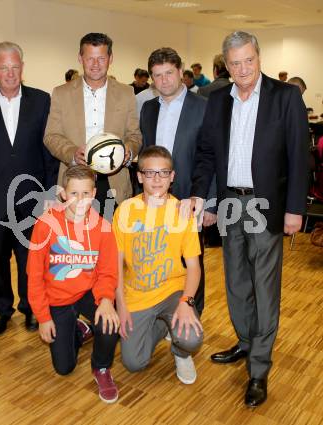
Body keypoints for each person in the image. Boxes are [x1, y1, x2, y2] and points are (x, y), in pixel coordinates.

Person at [187, 31, 309, 407]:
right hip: (229, 203)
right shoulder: (217, 99)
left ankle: (259, 367)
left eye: (248, 60)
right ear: (226, 63)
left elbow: (299, 156)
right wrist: (203, 198)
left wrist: (294, 209)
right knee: (237, 280)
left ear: (259, 57)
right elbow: (207, 152)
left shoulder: (285, 97)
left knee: (265, 285)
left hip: (266, 203)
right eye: (235, 63)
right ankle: (244, 341)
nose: (243, 69)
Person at [0, 42, 59, 336]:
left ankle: (32, 308)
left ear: (22, 67)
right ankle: (2, 310)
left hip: (31, 197)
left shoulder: (42, 100)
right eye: (3, 67)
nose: (10, 73)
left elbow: (48, 151)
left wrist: (49, 192)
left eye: (15, 67)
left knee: (30, 259)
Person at [28, 164, 120, 403]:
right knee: (64, 368)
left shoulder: (103, 228)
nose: (80, 200)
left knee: (110, 324)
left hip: (87, 292)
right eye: (74, 194)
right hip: (56, 299)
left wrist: (107, 300)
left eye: (86, 194)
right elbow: (35, 276)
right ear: (62, 194)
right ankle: (78, 331)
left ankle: (101, 368)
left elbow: (108, 272)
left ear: (94, 193)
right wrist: (43, 317)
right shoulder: (45, 225)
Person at [113, 146, 203, 384]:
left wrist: (186, 301)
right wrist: (120, 305)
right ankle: (164, 328)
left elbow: (194, 266)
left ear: (172, 177)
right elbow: (116, 265)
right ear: (139, 176)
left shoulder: (182, 212)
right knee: (134, 363)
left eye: (163, 173)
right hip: (137, 294)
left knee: (191, 338)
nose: (156, 179)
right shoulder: (124, 211)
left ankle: (180, 352)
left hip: (171, 291)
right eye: (150, 173)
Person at [140, 47, 216, 316]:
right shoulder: (148, 109)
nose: (164, 81)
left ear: (181, 71)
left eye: (169, 73)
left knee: (191, 260)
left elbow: (212, 157)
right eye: (157, 75)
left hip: (191, 197)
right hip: (154, 199)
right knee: (158, 257)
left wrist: (211, 203)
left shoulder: (204, 107)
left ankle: (192, 318)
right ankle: (162, 316)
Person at [44, 33, 142, 217]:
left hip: (114, 183)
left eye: (101, 58)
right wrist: (72, 152)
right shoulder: (61, 93)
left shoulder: (126, 93)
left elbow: (135, 135)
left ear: (110, 59)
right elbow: (51, 135)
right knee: (75, 244)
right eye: (90, 58)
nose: (95, 64)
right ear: (80, 58)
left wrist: (127, 151)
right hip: (74, 181)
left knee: (113, 243)